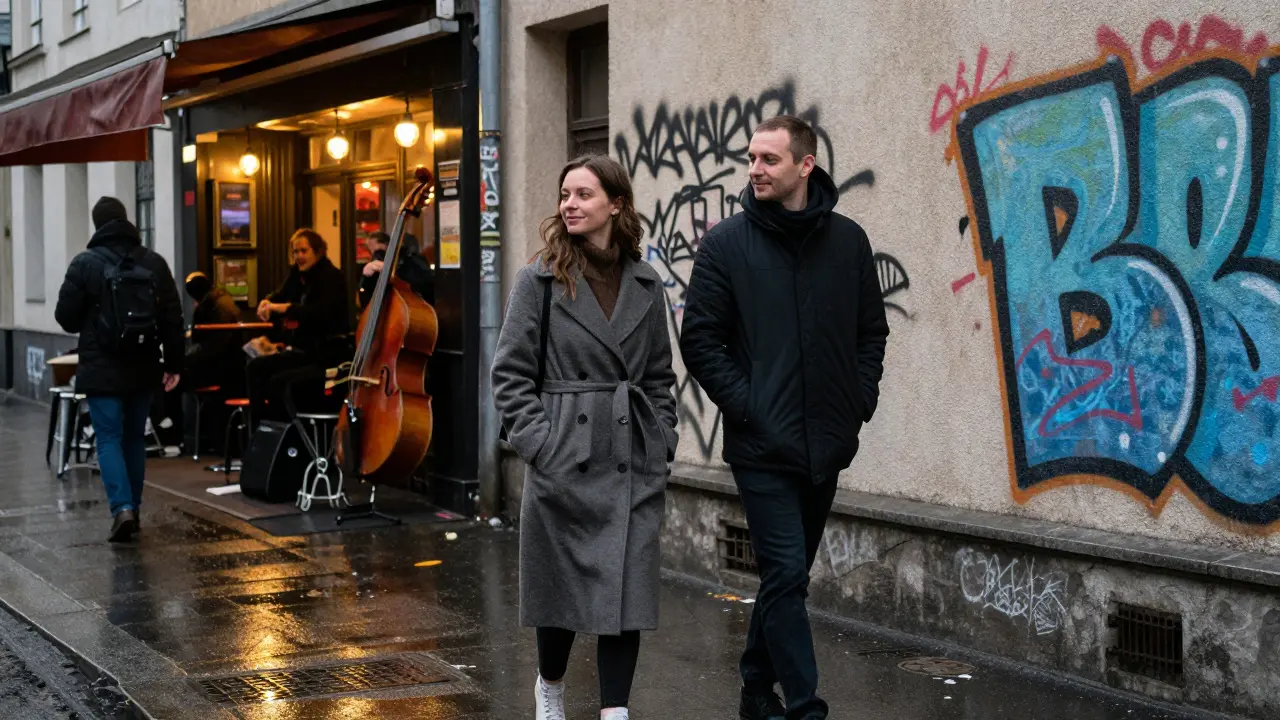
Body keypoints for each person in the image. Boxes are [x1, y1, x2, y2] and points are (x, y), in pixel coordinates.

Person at [678, 116, 890, 720]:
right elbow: (701, 342)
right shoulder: (726, 244)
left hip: (827, 443)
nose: (755, 170)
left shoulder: (848, 242)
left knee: (784, 580)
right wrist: (750, 408)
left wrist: (859, 398)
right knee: (788, 575)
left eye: (769, 159)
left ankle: (752, 687)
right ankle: (805, 707)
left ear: (805, 165)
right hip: (761, 448)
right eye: (751, 158)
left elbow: (869, 334)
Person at [492, 155, 679, 720]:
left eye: (583, 194)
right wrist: (541, 446)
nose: (569, 204)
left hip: (630, 457)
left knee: (628, 592)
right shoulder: (539, 280)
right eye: (565, 194)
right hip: (565, 457)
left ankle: (614, 710)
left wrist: (661, 441)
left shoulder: (645, 283)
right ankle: (550, 685)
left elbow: (660, 378)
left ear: (615, 204)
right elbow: (509, 374)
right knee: (561, 592)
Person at [54, 196, 185, 542]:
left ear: (98, 225)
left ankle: (122, 509)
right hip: (143, 367)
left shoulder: (84, 264)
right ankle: (134, 510)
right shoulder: (153, 262)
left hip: (101, 368)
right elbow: (173, 317)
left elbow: (64, 318)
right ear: (126, 221)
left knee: (108, 437)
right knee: (133, 439)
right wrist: (173, 364)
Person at [248, 228, 350, 420]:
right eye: (295, 252)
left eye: (304, 251)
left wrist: (282, 308)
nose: (299, 256)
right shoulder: (297, 274)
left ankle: (284, 431)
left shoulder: (331, 277)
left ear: (318, 252)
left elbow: (316, 313)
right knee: (255, 367)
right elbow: (281, 294)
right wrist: (266, 302)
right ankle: (260, 426)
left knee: (279, 382)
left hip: (325, 354)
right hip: (302, 351)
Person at [183, 271, 241, 389]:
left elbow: (213, 346)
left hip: (219, 369)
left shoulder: (212, 306)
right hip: (231, 366)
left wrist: (184, 357)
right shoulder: (221, 301)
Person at [357, 231, 436, 311]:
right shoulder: (374, 268)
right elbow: (365, 301)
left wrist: (394, 272)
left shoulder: (410, 261)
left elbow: (426, 284)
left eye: (379, 250)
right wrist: (366, 277)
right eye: (371, 251)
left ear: (387, 245)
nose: (376, 255)